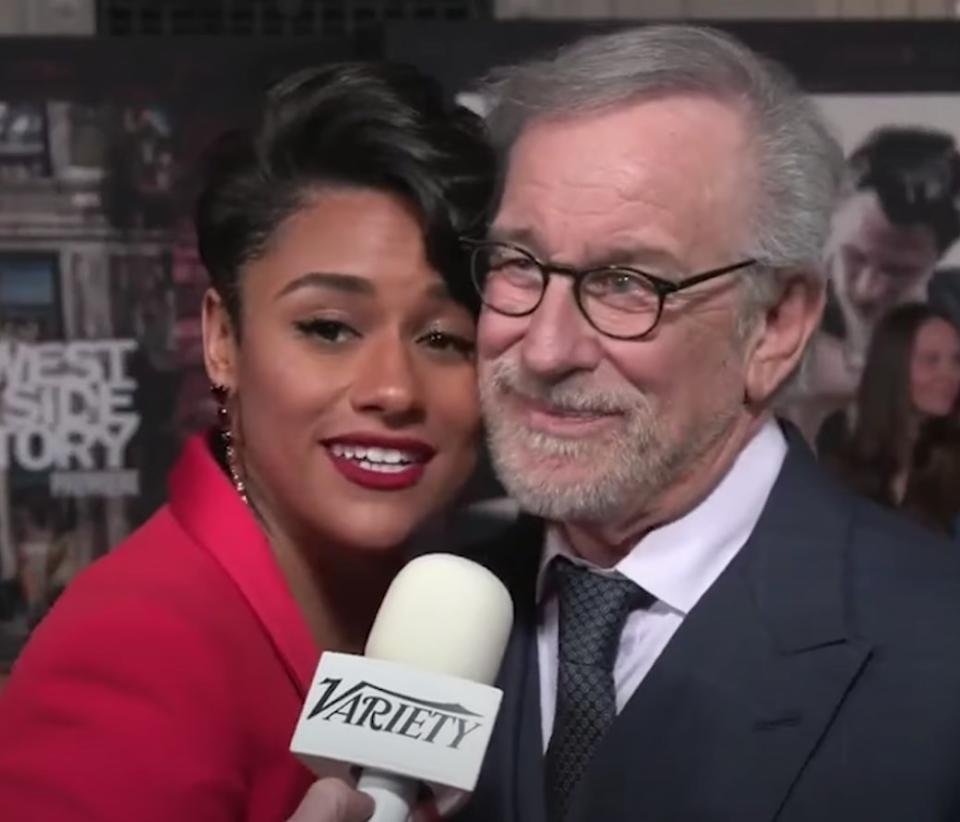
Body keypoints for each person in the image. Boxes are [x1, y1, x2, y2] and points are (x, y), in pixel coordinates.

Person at [444, 24, 960, 822]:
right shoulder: (430, 608)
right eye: (519, 264)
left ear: (778, 325)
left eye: (626, 282)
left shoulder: (939, 648)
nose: (544, 348)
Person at [0, 62, 494, 822]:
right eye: (328, 329)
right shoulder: (126, 660)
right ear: (223, 340)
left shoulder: (458, 605)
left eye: (443, 337)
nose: (394, 389)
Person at [785, 127, 960, 441]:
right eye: (853, 257)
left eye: (899, 271)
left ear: (935, 261)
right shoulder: (770, 319)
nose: (867, 290)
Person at [818, 303, 960, 536]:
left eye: (957, 360)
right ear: (894, 367)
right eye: (931, 360)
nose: (950, 375)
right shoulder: (841, 473)